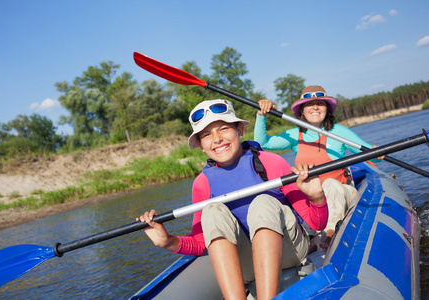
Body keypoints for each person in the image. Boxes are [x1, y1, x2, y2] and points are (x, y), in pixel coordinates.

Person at [137, 99, 328, 299]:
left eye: (223, 129)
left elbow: (317, 223)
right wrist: (167, 242)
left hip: (289, 252)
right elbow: (202, 243)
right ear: (201, 146)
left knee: (262, 203)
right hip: (245, 263)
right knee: (212, 211)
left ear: (239, 130)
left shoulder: (270, 162)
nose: (217, 139)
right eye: (206, 135)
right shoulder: (202, 184)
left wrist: (316, 197)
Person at [255, 85, 383, 249]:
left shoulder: (339, 131)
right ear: (302, 110)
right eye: (309, 104)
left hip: (342, 192)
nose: (315, 107)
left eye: (320, 103)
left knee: (329, 185)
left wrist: (376, 153)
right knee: (298, 195)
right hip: (314, 200)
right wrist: (261, 116)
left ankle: (329, 233)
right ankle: (309, 239)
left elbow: (368, 153)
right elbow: (263, 143)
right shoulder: (295, 135)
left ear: (327, 108)